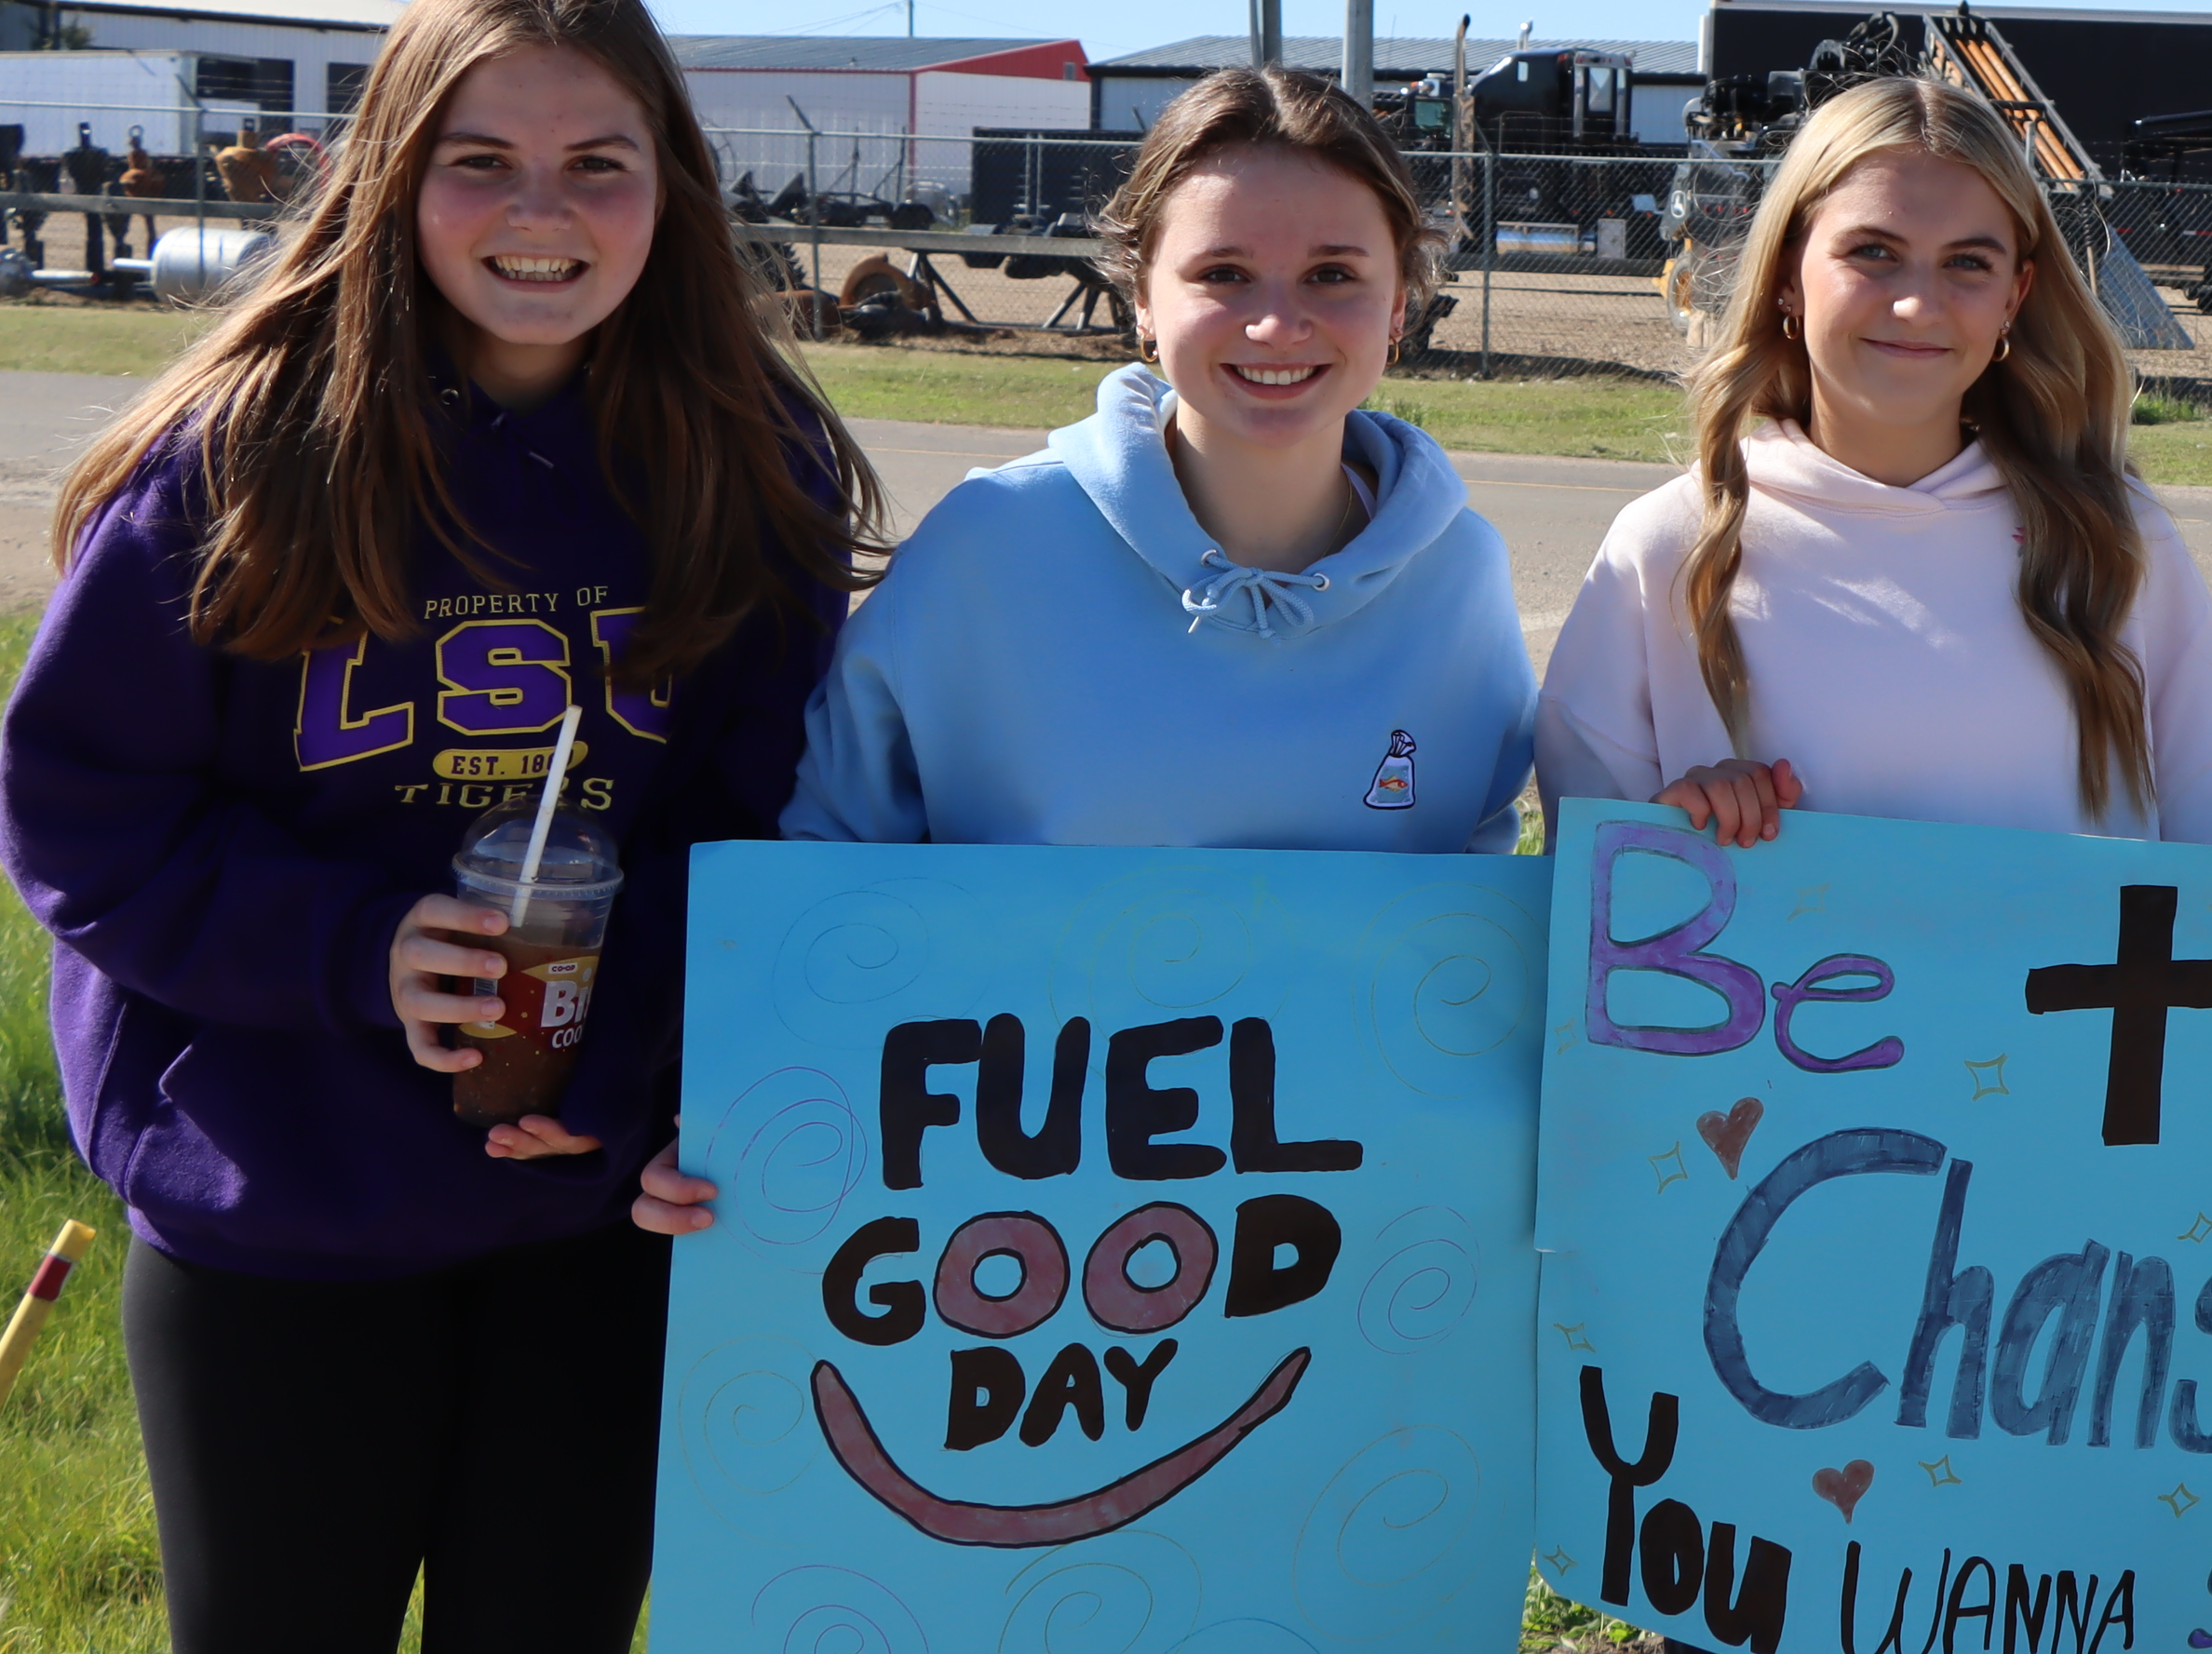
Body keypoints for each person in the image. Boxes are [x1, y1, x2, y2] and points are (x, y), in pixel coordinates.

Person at [0, 0, 875, 1644]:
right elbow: (80, 807)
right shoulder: (243, 458)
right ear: (392, 182)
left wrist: (633, 1076)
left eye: (596, 164)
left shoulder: (750, 466)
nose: (542, 213)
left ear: (669, 187)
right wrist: (354, 949)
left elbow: (767, 824)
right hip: (284, 1194)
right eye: (483, 163)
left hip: (589, 1205)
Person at [632, 68, 1535, 1233]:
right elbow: (832, 872)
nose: (1277, 321)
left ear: (1400, 304)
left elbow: (1464, 926)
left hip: (1328, 1242)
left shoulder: (1460, 577)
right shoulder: (990, 547)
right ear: (1140, 299)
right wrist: (745, 1114)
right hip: (1002, 1231)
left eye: (1333, 275)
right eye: (1221, 274)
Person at [1534, 75, 2212, 851]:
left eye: (1967, 264)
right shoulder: (1665, 547)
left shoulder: (2115, 539)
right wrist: (1676, 822)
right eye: (1874, 251)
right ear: (1789, 270)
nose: (1918, 304)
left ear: (2015, 297)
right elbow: (1590, 898)